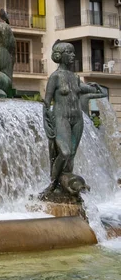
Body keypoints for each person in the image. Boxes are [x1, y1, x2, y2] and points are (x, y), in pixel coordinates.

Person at [42, 41, 102, 196]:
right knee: (65, 152)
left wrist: (96, 87)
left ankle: (65, 182)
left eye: (73, 52)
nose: (73, 55)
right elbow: (47, 102)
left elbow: (96, 92)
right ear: (59, 56)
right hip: (61, 118)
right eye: (69, 52)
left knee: (72, 154)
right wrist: (47, 122)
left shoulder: (75, 78)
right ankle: (53, 183)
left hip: (77, 119)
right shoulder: (55, 77)